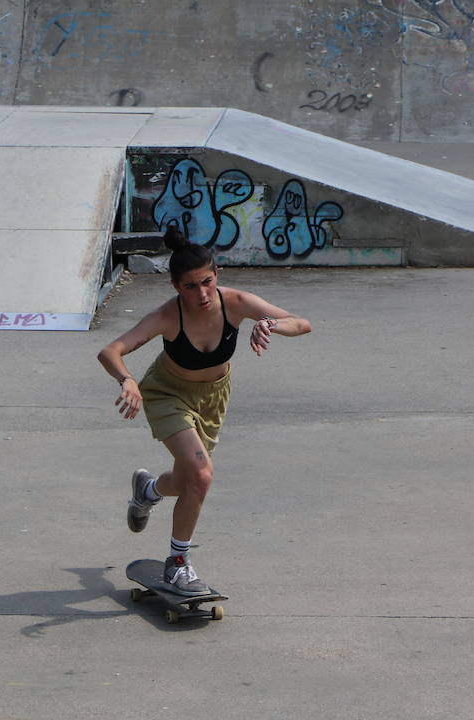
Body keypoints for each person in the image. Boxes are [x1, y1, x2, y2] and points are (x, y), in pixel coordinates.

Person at [97, 228, 313, 596]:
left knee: (187, 482)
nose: (201, 294)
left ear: (217, 275)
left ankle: (148, 491)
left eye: (207, 282)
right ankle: (178, 564)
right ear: (175, 287)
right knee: (202, 475)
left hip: (213, 398)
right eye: (190, 286)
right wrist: (127, 381)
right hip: (167, 394)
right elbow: (111, 351)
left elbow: (302, 323)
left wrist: (269, 324)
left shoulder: (238, 302)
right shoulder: (167, 316)